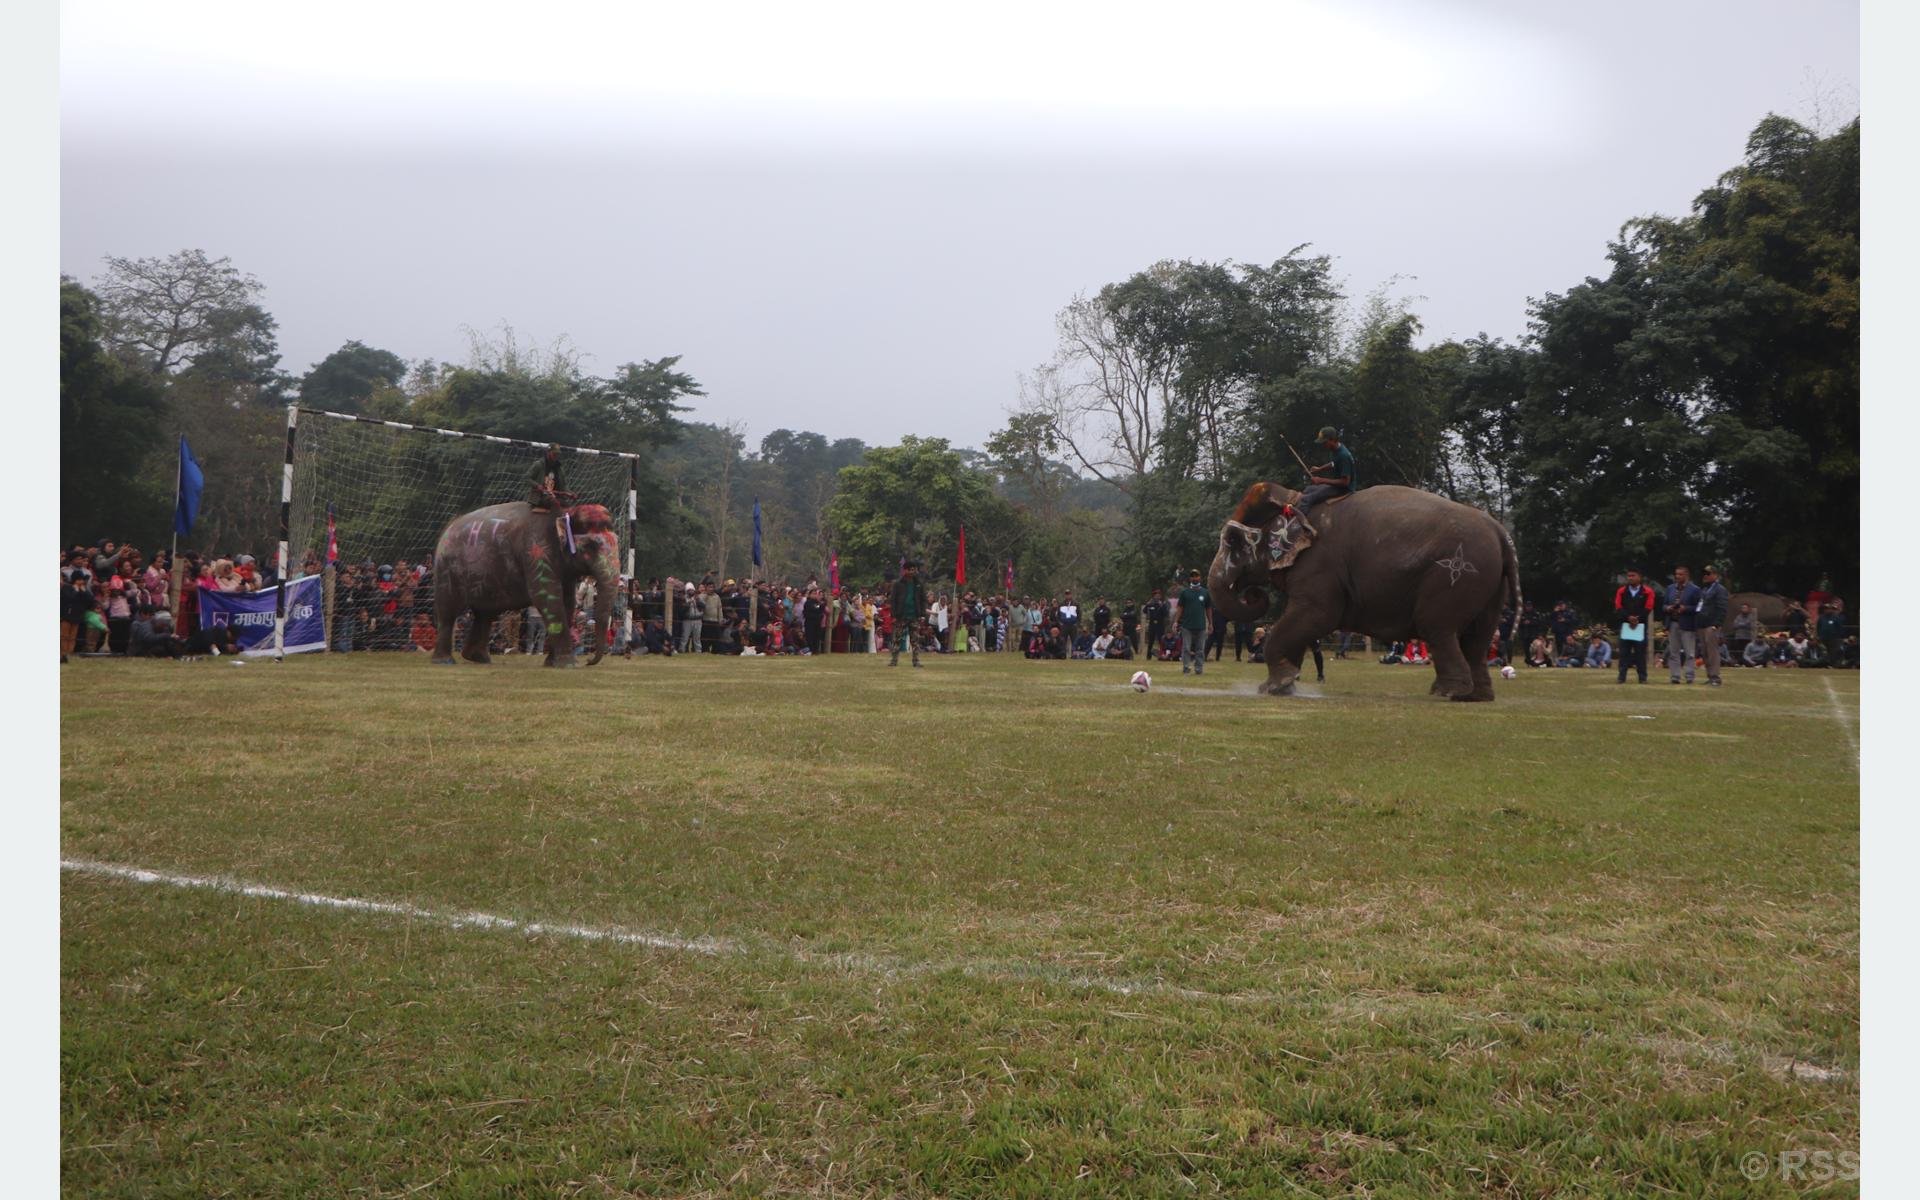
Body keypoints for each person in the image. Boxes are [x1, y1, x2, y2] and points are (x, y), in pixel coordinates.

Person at [1287, 426, 1356, 527]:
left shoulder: (1343, 455)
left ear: (1332, 440)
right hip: (1337, 486)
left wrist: (1321, 480)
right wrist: (1319, 469)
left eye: (1324, 442)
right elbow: (1333, 463)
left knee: (1307, 499)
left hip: (1344, 489)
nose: (1323, 445)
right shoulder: (1336, 449)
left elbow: (1345, 482)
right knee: (1308, 490)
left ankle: (1299, 527)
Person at [1662, 565, 1701, 684]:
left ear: (1687, 575)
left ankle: (1689, 676)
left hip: (1687, 624)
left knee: (1689, 653)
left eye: (1680, 574)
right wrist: (1668, 608)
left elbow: (1699, 607)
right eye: (1676, 574)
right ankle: (1675, 676)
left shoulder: (1695, 589)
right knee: (1673, 652)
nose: (1677, 576)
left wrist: (1686, 608)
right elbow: (1663, 605)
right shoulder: (1670, 588)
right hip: (1673, 623)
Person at [888, 561, 928, 668]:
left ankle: (916, 661)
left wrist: (922, 614)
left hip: (914, 615)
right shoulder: (898, 584)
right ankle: (894, 660)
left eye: (914, 569)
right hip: (901, 616)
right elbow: (893, 600)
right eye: (911, 569)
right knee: (897, 639)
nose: (913, 572)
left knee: (915, 640)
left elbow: (923, 599)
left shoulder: (918, 584)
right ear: (905, 570)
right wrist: (893, 615)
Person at [1172, 569, 1211, 676]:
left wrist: (1210, 623)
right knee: (1186, 648)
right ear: (1190, 578)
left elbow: (1208, 609)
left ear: (1200, 577)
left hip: (1201, 625)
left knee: (1200, 649)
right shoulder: (1185, 592)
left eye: (1196, 576)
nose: (1194, 578)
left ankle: (1199, 669)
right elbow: (1180, 608)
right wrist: (1176, 621)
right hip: (1187, 626)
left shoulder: (1205, 592)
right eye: (1192, 576)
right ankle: (1186, 668)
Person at [1695, 565, 1729, 686]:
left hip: (1711, 624)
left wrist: (1717, 624)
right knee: (1704, 651)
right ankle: (1710, 675)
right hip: (1702, 624)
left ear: (1715, 575)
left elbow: (1722, 608)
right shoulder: (1704, 589)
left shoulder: (1720, 589)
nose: (1705, 576)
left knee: (1712, 651)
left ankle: (1715, 677)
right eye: (1704, 573)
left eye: (1708, 574)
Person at [528, 446, 564, 511]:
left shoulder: (559, 468)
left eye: (557, 454)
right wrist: (537, 485)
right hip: (540, 496)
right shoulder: (539, 464)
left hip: (554, 496)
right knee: (555, 503)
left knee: (567, 505)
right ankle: (556, 517)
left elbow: (564, 485)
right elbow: (527, 478)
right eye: (554, 454)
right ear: (548, 453)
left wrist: (570, 492)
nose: (556, 456)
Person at [1817, 598, 1846, 664]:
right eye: (1826, 608)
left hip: (1833, 638)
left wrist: (1838, 636)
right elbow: (1818, 627)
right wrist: (1819, 635)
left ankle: (1832, 664)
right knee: (1824, 651)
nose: (1827, 610)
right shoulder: (1821, 617)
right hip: (1823, 638)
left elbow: (1840, 628)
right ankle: (1824, 663)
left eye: (1828, 608)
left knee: (1833, 651)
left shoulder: (1836, 617)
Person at [1143, 589, 1169, 656]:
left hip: (1160, 624)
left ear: (1160, 596)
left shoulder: (1163, 604)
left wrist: (1162, 606)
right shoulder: (1151, 604)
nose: (1157, 596)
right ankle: (1148, 656)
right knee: (1150, 641)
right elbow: (1144, 611)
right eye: (1155, 595)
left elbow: (1166, 614)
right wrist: (1147, 604)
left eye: (1158, 595)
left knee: (1161, 640)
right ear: (1153, 596)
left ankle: (1162, 654)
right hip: (1152, 624)